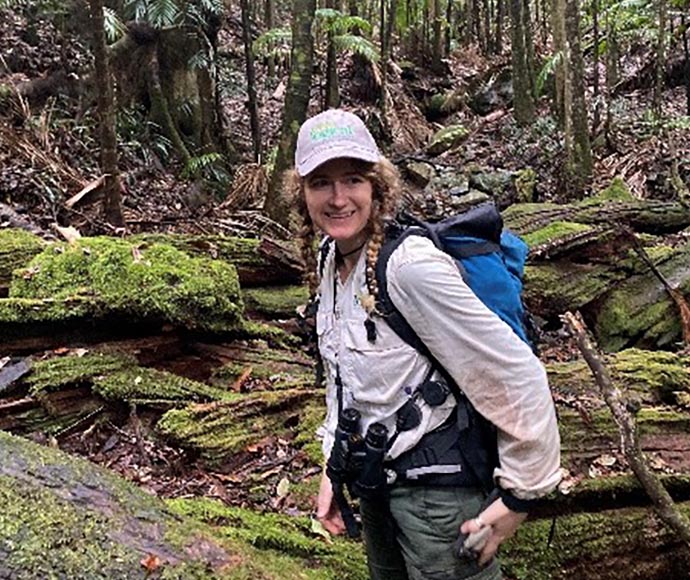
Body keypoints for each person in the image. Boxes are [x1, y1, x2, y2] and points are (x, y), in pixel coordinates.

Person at [288, 108, 561, 580]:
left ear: (377, 186)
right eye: (320, 183)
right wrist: (334, 467)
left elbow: (516, 372)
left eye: (352, 179)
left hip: (440, 499)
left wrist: (520, 495)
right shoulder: (332, 257)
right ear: (302, 194)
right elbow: (345, 378)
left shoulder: (410, 266)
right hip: (374, 480)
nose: (337, 198)